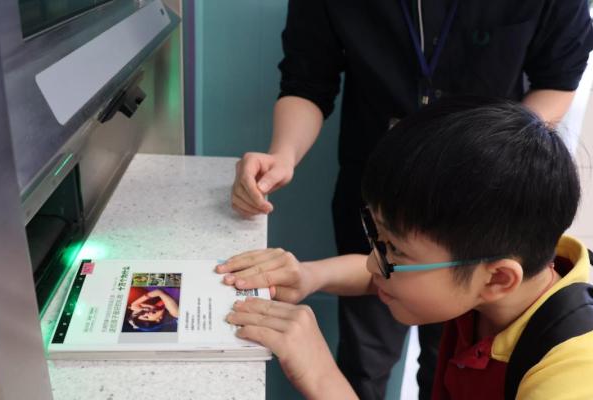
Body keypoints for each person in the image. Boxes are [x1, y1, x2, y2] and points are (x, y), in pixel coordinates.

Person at [230, 1, 593, 398]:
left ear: (497, 279)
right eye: (382, 242)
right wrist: (308, 276)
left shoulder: (565, 380)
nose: (373, 262)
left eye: (394, 251)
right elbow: (410, 272)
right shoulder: (498, 274)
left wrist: (320, 376)